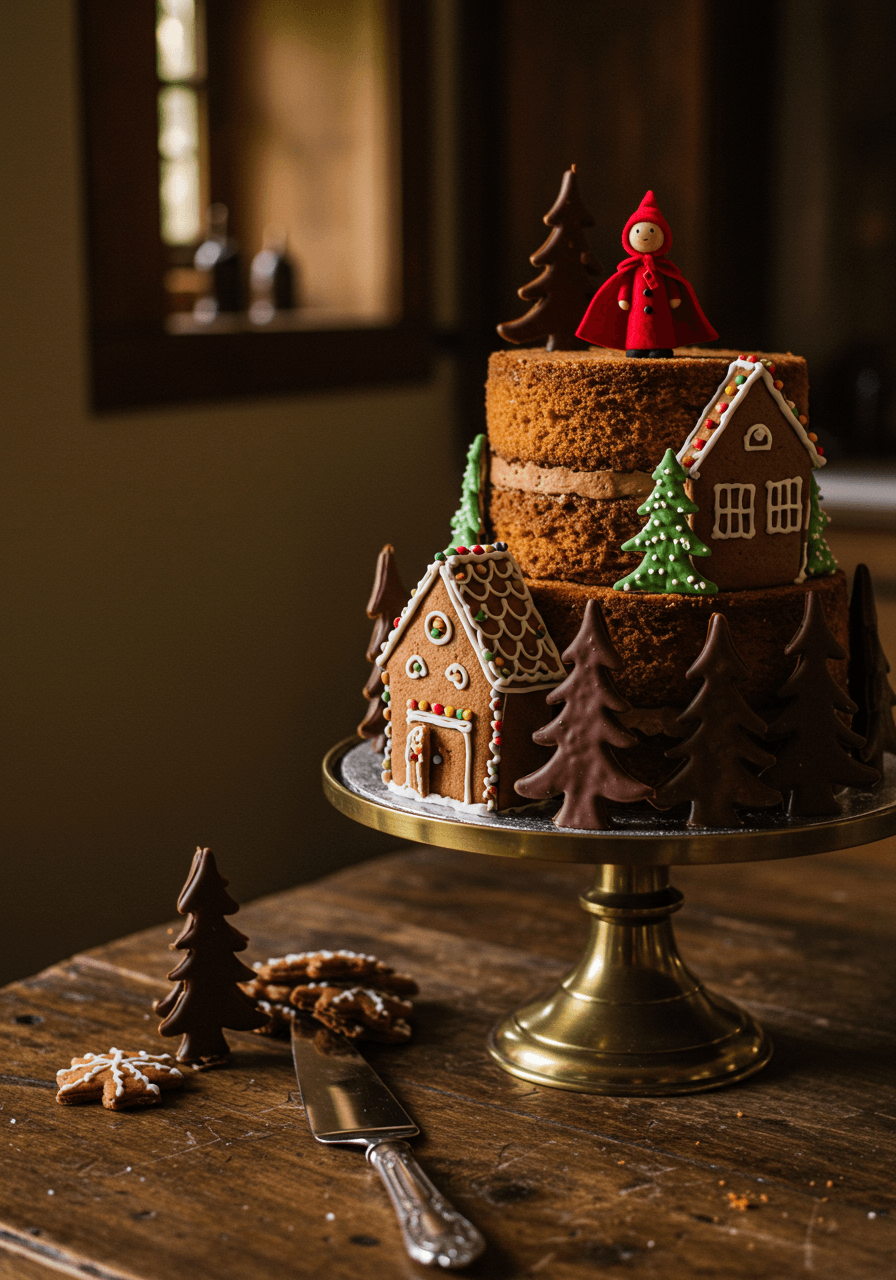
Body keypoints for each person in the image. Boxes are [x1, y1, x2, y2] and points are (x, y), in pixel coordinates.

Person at [576, 190, 717, 357]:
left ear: (664, 238)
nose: (644, 236)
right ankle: (636, 347)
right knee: (637, 328)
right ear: (628, 236)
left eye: (652, 231)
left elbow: (671, 283)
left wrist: (674, 296)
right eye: (637, 232)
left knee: (660, 329)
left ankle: (661, 346)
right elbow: (626, 284)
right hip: (636, 323)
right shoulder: (632, 269)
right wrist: (623, 297)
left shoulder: (663, 268)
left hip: (661, 318)